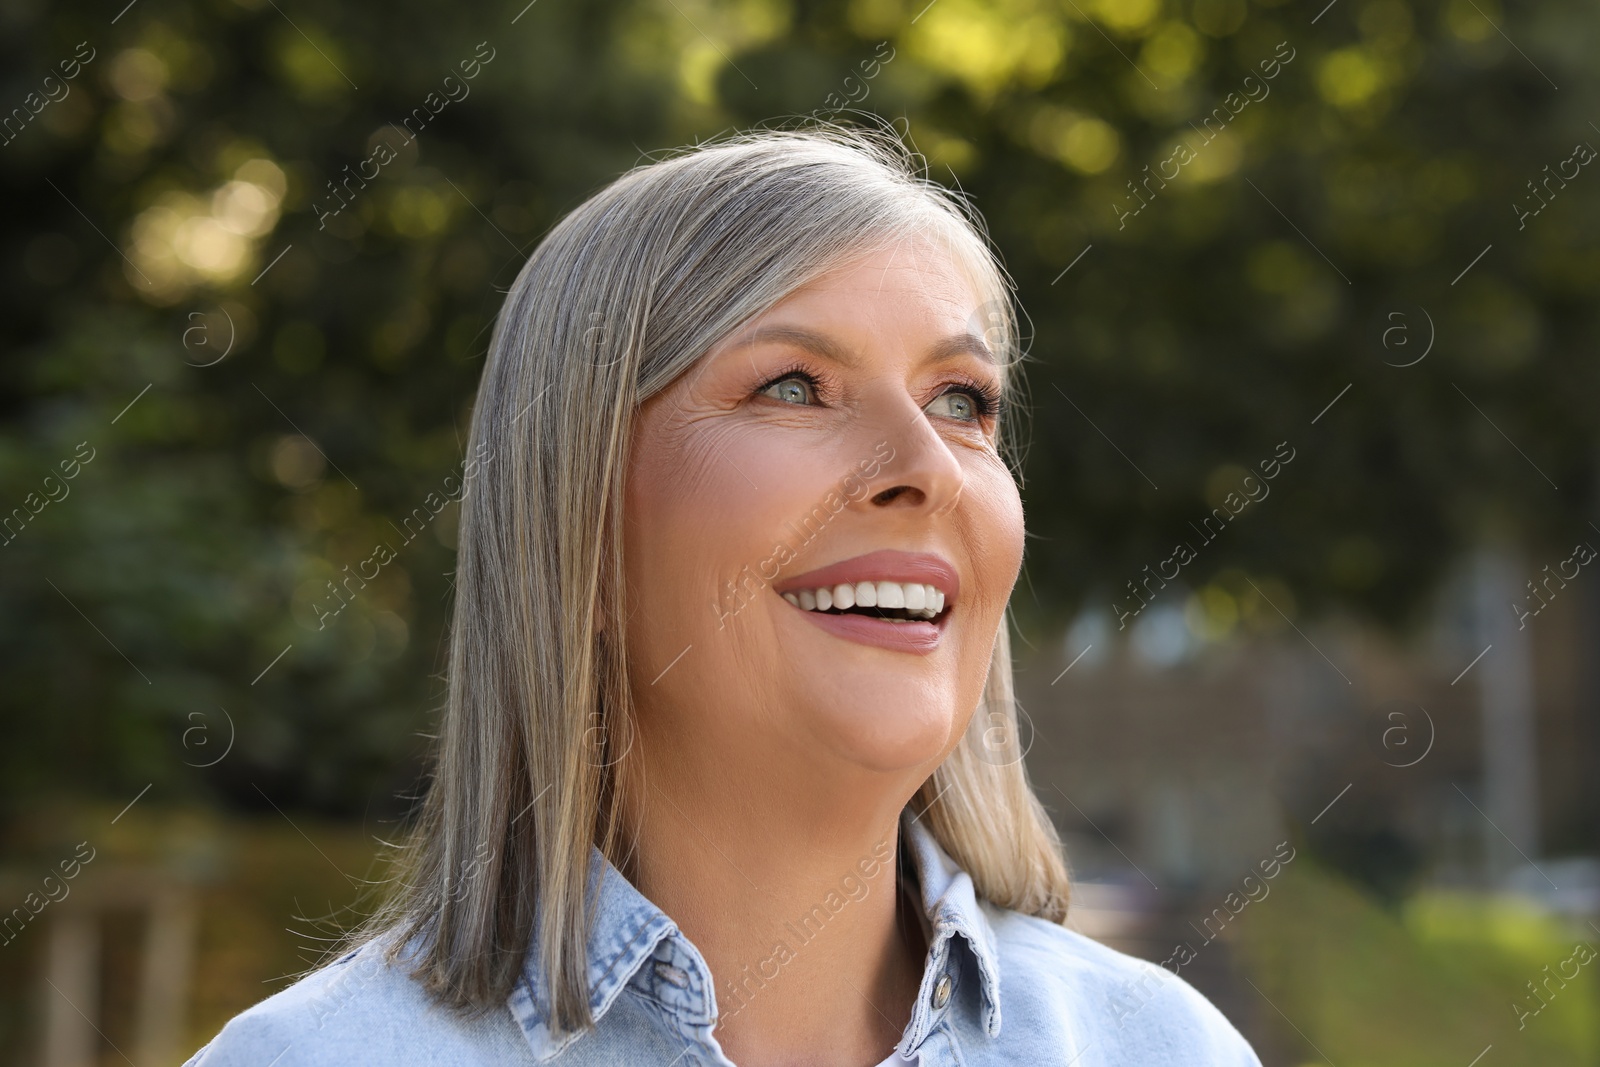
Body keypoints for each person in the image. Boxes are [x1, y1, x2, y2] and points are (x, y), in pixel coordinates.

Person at [184, 122, 1263, 1066]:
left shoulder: (1166, 1048)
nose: (926, 465)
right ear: (581, 523)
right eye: (792, 385)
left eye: (961, 399)